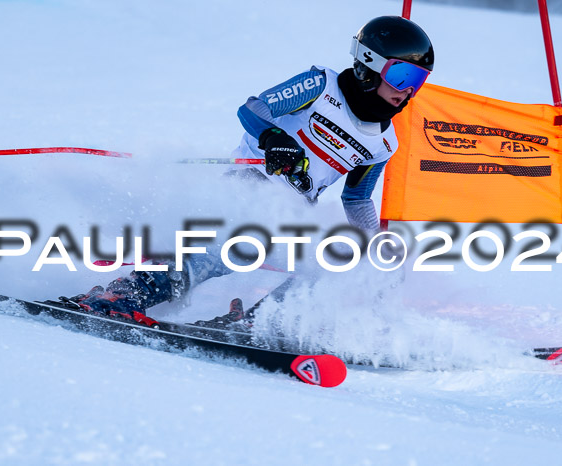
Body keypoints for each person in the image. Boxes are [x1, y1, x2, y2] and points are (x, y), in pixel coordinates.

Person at [74, 16, 435, 320]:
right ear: (368, 64)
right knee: (229, 248)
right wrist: (274, 137)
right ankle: (126, 294)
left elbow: (356, 198)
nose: (407, 90)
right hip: (250, 186)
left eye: (418, 81)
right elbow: (253, 110)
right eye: (402, 75)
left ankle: (261, 323)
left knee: (334, 262)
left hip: (293, 215)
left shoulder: (384, 144)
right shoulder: (320, 85)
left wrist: (374, 245)